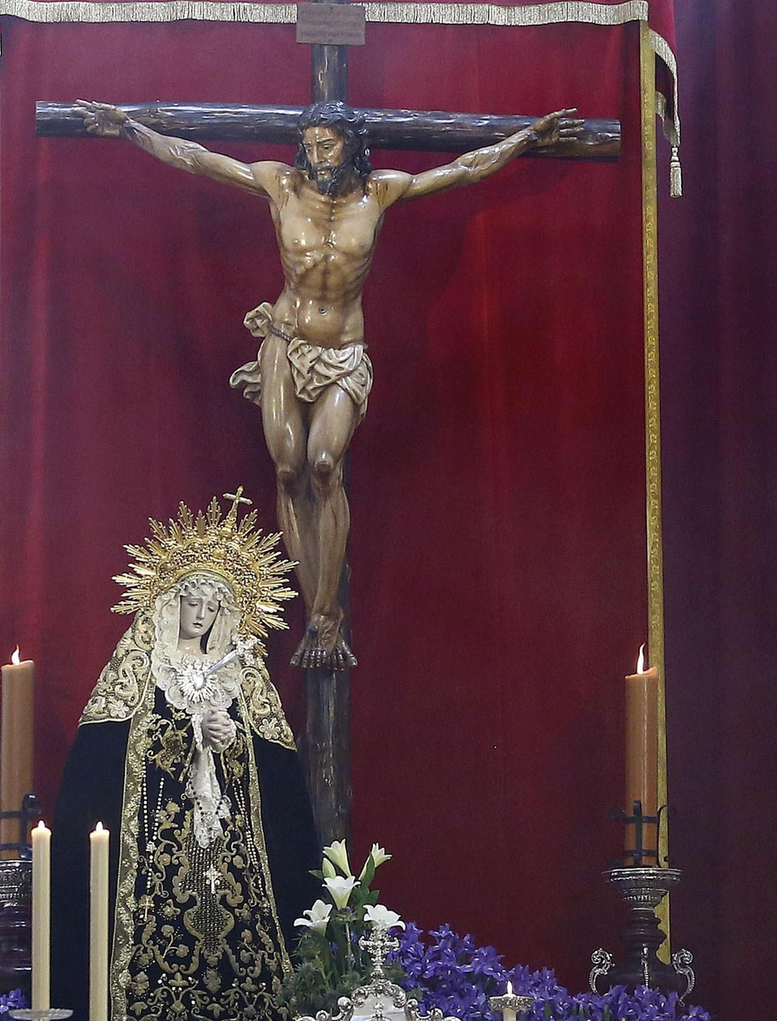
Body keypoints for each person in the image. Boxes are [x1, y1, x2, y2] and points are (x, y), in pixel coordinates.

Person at [74, 95, 578, 668]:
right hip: (285, 345)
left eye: (327, 144)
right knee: (289, 471)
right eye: (309, 146)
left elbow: (462, 169)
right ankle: (320, 614)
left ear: (351, 145)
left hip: (341, 352)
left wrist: (526, 139)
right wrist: (130, 129)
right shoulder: (280, 186)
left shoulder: (380, 192)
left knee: (322, 464)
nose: (315, 156)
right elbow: (195, 158)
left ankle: (328, 613)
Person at [50, 493, 321, 1021]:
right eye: (191, 602)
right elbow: (103, 761)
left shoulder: (241, 673)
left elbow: (278, 781)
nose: (200, 615)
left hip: (231, 845)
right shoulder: (139, 671)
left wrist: (232, 738)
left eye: (213, 607)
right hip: (150, 850)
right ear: (169, 603)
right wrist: (184, 734)